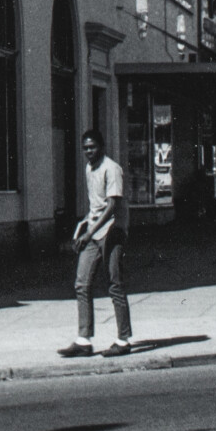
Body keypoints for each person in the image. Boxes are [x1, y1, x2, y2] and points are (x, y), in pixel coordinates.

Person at [59, 129, 133, 358]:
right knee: (82, 283)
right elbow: (96, 205)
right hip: (93, 231)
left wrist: (89, 232)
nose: (88, 151)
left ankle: (123, 340)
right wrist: (84, 224)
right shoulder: (89, 168)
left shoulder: (112, 169)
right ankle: (84, 340)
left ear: (101, 147)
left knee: (115, 284)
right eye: (85, 148)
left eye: (92, 147)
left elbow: (111, 205)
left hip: (113, 231)